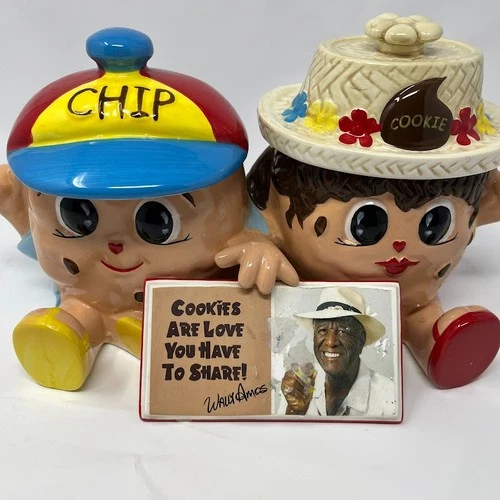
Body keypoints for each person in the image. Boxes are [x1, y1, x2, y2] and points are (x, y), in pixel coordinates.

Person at [0, 28, 297, 392]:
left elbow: (258, 233)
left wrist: (260, 249)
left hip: (194, 306)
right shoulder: (32, 200)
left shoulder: (238, 215)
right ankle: (75, 334)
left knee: (189, 321)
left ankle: (170, 335)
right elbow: (23, 206)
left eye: (156, 222)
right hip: (84, 296)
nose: (116, 244)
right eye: (78, 215)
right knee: (76, 314)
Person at [280, 287, 395, 417]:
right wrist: (295, 412)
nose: (330, 342)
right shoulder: (298, 385)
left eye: (342, 331)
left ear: (361, 340)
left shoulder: (389, 397)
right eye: (323, 330)